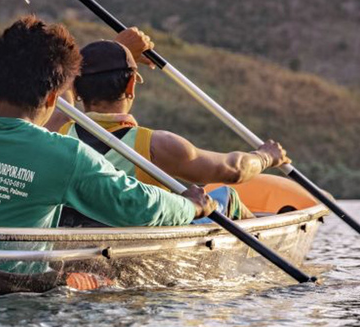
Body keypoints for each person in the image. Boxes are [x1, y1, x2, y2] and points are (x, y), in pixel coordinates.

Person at [0, 16, 218, 232]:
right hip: (13, 298)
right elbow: (135, 205)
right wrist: (190, 205)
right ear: (54, 96)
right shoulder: (66, 157)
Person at [51, 30, 291, 224]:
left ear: (79, 90)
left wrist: (116, 51)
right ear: (132, 85)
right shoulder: (157, 146)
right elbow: (234, 169)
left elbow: (62, 93)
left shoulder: (55, 129)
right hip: (139, 239)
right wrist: (265, 157)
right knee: (228, 197)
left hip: (81, 236)